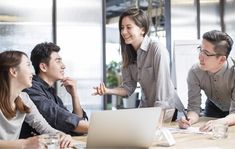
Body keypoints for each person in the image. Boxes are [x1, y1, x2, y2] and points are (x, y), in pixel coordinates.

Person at [93, 7, 177, 108]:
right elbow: (128, 87)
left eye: (129, 27)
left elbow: (163, 91)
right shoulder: (128, 54)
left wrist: (157, 120)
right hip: (147, 109)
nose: (124, 32)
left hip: (168, 110)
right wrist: (108, 91)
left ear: (142, 30)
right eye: (122, 28)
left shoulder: (157, 49)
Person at [0, 50, 71, 148]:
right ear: (13, 71)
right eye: (28, 65)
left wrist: (63, 136)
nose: (32, 73)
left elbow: (45, 129)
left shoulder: (24, 99)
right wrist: (25, 144)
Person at [20, 42, 89, 138]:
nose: (63, 66)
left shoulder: (52, 93)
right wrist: (98, 128)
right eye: (58, 61)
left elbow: (78, 129)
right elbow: (60, 117)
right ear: (43, 67)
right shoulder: (31, 89)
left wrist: (74, 95)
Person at [178, 30, 235, 131]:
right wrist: (188, 120)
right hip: (213, 106)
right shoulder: (195, 72)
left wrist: (222, 121)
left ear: (221, 59)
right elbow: (193, 107)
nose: (200, 57)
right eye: (200, 50)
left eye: (206, 53)